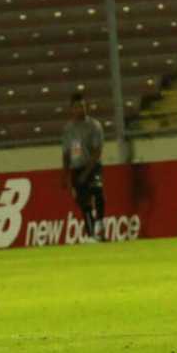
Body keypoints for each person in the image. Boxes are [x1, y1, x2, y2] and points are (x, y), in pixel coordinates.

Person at [62, 92, 106, 242]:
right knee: (84, 202)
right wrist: (66, 175)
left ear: (86, 107)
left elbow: (97, 151)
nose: (80, 109)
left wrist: (87, 172)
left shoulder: (94, 126)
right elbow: (67, 153)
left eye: (82, 106)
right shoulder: (68, 129)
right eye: (76, 107)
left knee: (98, 191)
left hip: (92, 166)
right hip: (77, 168)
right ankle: (92, 233)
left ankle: (100, 223)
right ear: (71, 109)